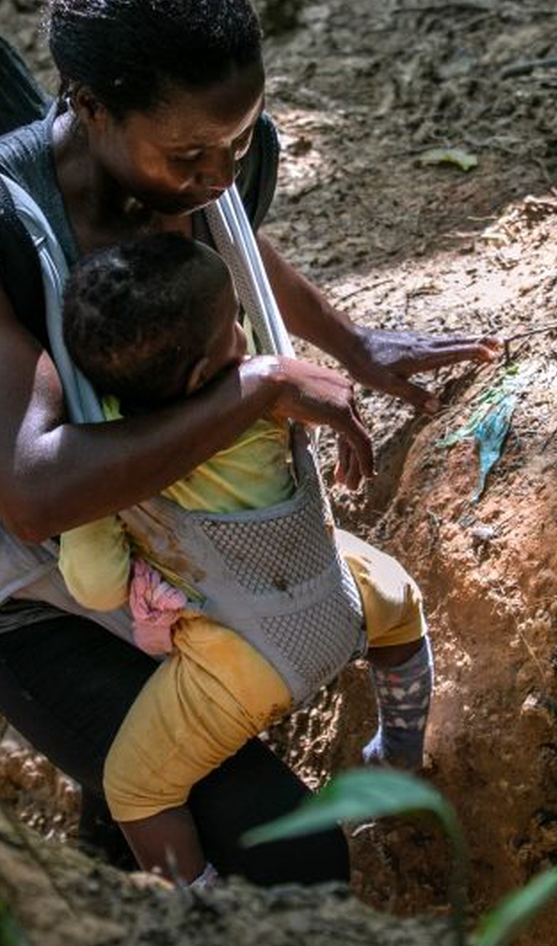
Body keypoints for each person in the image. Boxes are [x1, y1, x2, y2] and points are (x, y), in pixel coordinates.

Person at [0, 0, 499, 885]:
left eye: (240, 139)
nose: (222, 177)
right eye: (191, 154)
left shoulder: (197, 164)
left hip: (175, 574)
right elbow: (34, 490)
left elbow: (227, 255)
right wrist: (260, 384)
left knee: (162, 804)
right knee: (289, 854)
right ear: (92, 109)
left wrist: (349, 341)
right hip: (33, 592)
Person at [55, 232, 433, 885]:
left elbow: (94, 585)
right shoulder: (267, 399)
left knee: (137, 791)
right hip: (345, 600)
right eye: (235, 319)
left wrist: (130, 571)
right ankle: (398, 751)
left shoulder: (110, 457)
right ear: (207, 371)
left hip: (241, 666)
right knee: (402, 607)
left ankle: (203, 909)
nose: (243, 327)